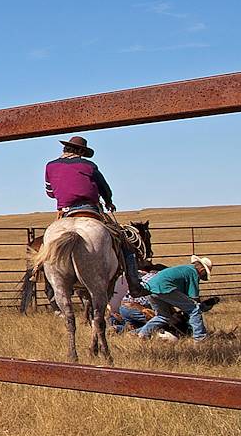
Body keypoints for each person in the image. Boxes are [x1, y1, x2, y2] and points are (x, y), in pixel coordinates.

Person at [44, 135, 145, 293]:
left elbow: (49, 192)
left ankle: (42, 271)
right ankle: (133, 283)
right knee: (125, 242)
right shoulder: (89, 166)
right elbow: (104, 187)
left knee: (48, 247)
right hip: (89, 208)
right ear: (80, 151)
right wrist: (109, 201)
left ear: (65, 148)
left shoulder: (50, 166)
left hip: (65, 211)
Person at [137, 256, 213, 342]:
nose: (204, 276)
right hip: (164, 288)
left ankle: (142, 334)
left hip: (150, 289)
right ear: (202, 270)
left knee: (163, 316)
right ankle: (200, 338)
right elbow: (194, 298)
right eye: (205, 273)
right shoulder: (193, 273)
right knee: (194, 309)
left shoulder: (186, 269)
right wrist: (203, 307)